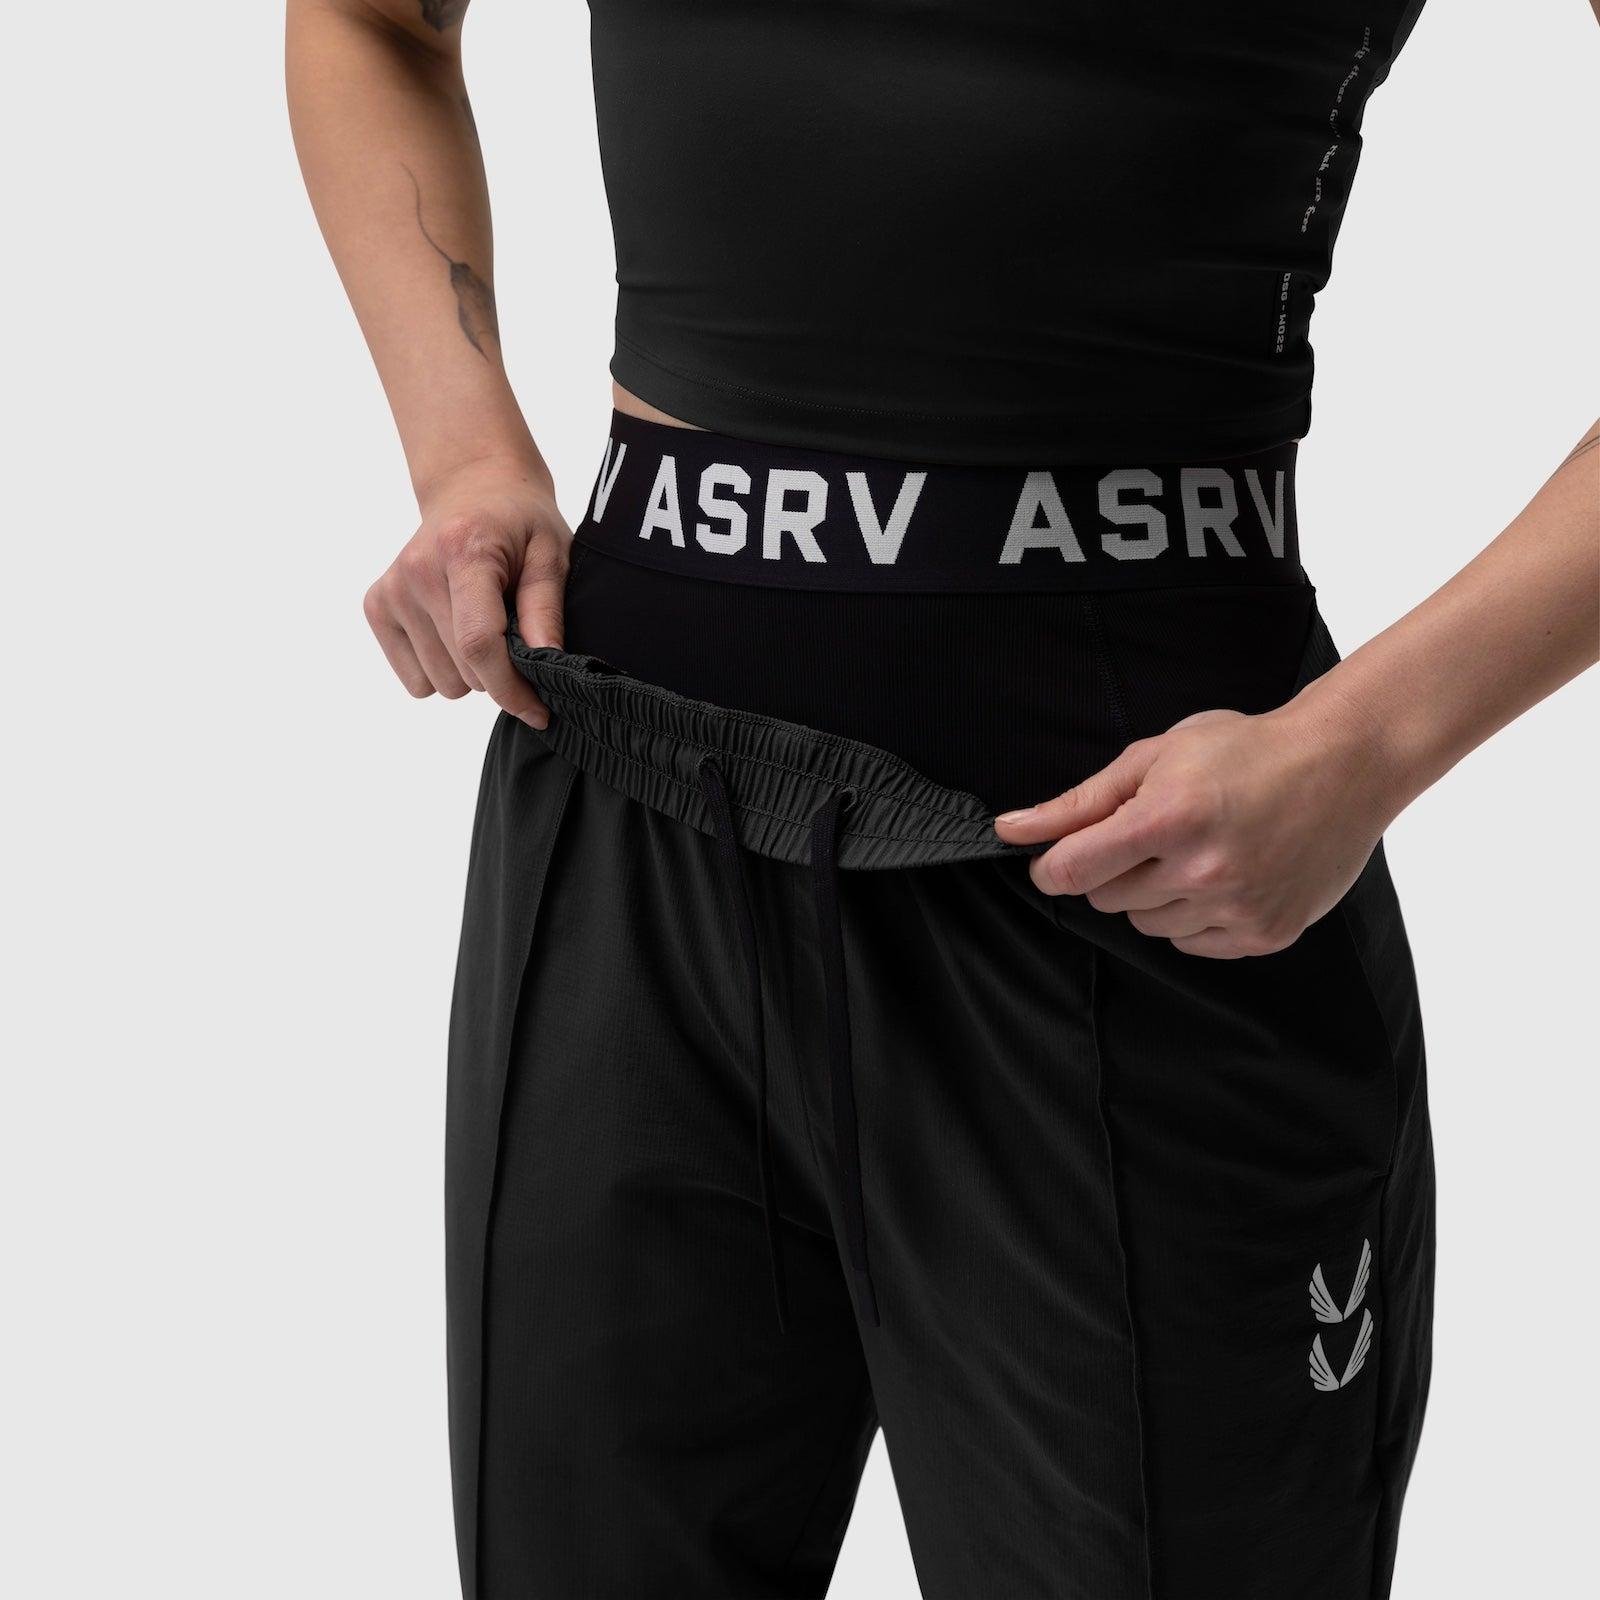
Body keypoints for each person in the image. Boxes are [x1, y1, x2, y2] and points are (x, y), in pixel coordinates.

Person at [287, 3, 1597, 1595]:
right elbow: (371, 23)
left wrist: (1364, 749)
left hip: (1144, 865)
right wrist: (463, 456)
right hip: (631, 810)